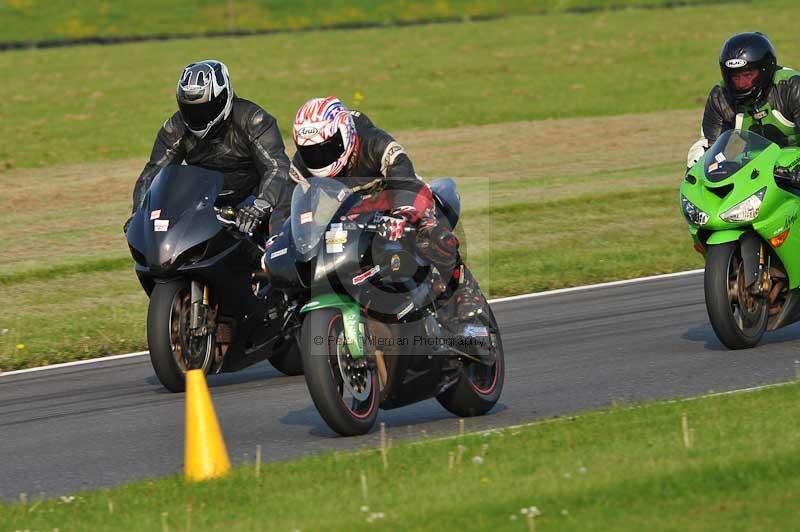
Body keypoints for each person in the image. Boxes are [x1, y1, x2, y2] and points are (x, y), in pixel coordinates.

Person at [285, 96, 483, 321]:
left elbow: (406, 181)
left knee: (428, 232)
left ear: (345, 133)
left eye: (327, 149)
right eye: (311, 153)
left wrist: (403, 214)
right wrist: (282, 237)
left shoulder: (375, 142)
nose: (319, 158)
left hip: (397, 203)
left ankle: (465, 291)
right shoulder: (301, 165)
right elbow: (288, 205)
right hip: (353, 219)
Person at [128, 60, 291, 240]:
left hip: (253, 201)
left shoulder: (253, 120)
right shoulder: (175, 128)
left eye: (204, 109)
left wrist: (260, 205)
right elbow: (152, 174)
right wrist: (138, 216)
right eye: (190, 109)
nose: (197, 116)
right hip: (205, 207)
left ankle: (276, 254)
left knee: (286, 194)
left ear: (223, 98)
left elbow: (277, 167)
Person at [687, 32, 800, 176]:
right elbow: (711, 148)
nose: (741, 84)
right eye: (735, 77)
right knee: (697, 155)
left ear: (765, 70)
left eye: (748, 75)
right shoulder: (721, 96)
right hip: (756, 172)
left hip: (795, 171)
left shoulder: (792, 87)